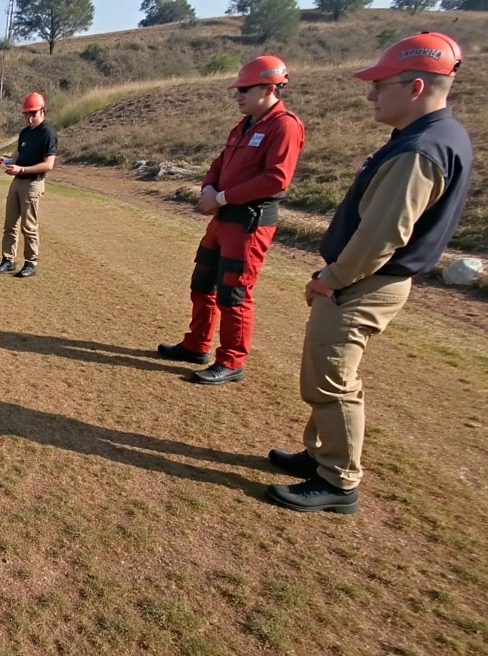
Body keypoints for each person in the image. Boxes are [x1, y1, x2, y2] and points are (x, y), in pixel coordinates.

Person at [267, 33, 472, 515]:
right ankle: (321, 457)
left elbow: (382, 236)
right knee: (328, 373)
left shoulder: (420, 150)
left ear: (416, 86)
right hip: (364, 280)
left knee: (333, 379)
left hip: (362, 283)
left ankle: (338, 479)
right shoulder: (432, 138)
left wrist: (332, 278)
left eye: (380, 84)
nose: (371, 94)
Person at [156, 56, 306, 385]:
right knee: (202, 282)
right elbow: (218, 164)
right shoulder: (243, 126)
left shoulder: (284, 125)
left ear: (269, 87)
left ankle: (232, 360)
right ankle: (196, 345)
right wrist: (209, 188)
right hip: (222, 220)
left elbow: (276, 179)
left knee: (233, 293)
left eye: (244, 89)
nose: (237, 95)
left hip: (249, 224)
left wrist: (221, 198)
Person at [0, 92, 58, 278]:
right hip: (17, 183)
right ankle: (8, 260)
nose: (29, 118)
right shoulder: (25, 133)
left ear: (42, 111)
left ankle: (31, 262)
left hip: (33, 183)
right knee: (10, 224)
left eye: (33, 114)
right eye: (26, 114)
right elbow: (18, 155)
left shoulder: (48, 133)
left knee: (28, 226)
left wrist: (21, 170)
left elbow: (49, 164)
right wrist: (7, 161)